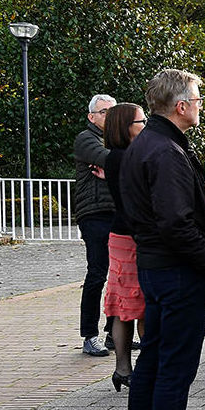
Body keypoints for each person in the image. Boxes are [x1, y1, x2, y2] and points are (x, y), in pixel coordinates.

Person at [121, 69, 205, 410]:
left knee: (154, 356)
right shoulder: (165, 150)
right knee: (174, 365)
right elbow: (176, 222)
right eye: (199, 99)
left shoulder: (147, 144)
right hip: (176, 269)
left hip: (157, 265)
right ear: (181, 106)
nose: (202, 106)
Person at [101, 102, 147, 390]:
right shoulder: (125, 157)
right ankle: (133, 369)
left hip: (120, 234)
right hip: (131, 237)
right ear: (125, 127)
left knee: (123, 304)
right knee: (138, 304)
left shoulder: (114, 157)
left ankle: (123, 369)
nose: (146, 126)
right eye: (141, 122)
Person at [74, 93, 116, 356]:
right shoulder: (85, 138)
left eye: (113, 111)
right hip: (95, 213)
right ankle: (89, 335)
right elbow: (107, 158)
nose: (108, 116)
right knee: (98, 273)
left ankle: (116, 333)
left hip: (117, 213)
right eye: (103, 112)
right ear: (92, 116)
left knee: (120, 277)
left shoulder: (118, 140)